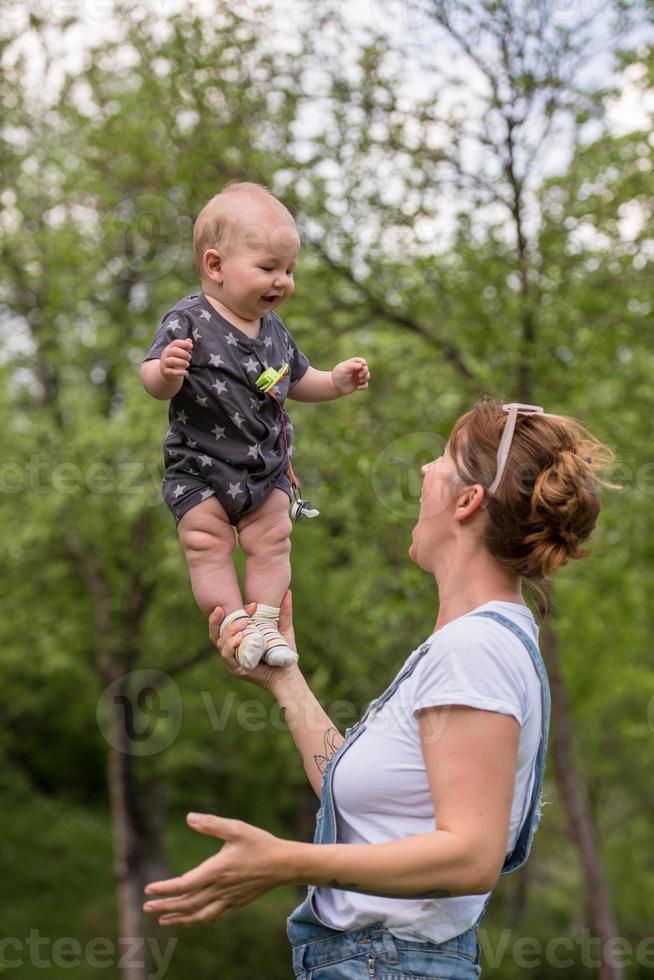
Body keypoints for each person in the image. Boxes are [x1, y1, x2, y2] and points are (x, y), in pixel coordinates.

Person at [143, 398, 613, 978]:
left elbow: (470, 855)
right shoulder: (473, 644)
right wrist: (286, 682)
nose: (424, 471)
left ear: (468, 502)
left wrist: (284, 861)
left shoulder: (474, 652)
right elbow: (376, 814)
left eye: (443, 458)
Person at [141, 181, 370, 669]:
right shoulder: (188, 320)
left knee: (273, 538)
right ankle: (233, 623)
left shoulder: (275, 331)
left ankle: (266, 622)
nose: (282, 281)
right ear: (216, 266)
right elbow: (151, 379)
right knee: (206, 541)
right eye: (268, 268)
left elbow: (300, 380)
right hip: (199, 468)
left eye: (289, 270)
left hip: (263, 468)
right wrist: (165, 373)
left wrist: (337, 382)